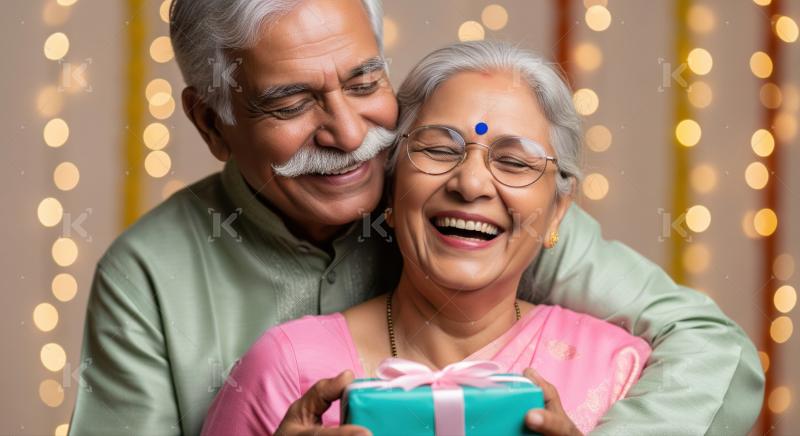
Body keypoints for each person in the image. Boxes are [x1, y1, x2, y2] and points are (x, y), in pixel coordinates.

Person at [68, 0, 763, 435]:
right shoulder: (147, 278)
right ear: (211, 123)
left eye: (365, 81)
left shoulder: (492, 217)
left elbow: (713, 348)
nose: (346, 132)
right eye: (289, 102)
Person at [201, 40, 653, 436]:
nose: (471, 184)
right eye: (439, 149)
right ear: (392, 189)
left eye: (514, 162)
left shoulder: (619, 370)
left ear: (557, 210)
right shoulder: (286, 367)